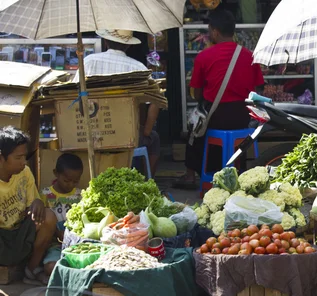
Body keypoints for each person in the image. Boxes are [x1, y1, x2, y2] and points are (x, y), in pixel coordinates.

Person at [175, 9, 265, 189]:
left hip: (215, 118)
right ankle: (237, 167)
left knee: (194, 127)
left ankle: (190, 175)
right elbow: (259, 88)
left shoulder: (204, 57)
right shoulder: (249, 56)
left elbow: (197, 92)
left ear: (215, 31)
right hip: (242, 117)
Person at [73, 29, 161, 177]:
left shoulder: (89, 62)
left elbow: (73, 94)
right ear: (128, 46)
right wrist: (145, 131)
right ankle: (148, 182)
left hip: (91, 131)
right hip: (128, 136)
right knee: (154, 139)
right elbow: (156, 101)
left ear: (106, 42)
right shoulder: (138, 68)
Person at [0, 127, 57, 285]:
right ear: (1, 158)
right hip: (2, 241)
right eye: (18, 157)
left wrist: (37, 202)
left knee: (49, 216)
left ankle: (31, 270)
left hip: (20, 233)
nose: (24, 162)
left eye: (24, 156)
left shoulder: (24, 172)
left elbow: (33, 203)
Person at [39, 153, 84, 277]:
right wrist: (56, 232)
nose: (70, 184)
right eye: (66, 180)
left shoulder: (81, 195)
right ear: (56, 173)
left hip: (76, 244)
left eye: (75, 181)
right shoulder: (45, 194)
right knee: (50, 268)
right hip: (54, 245)